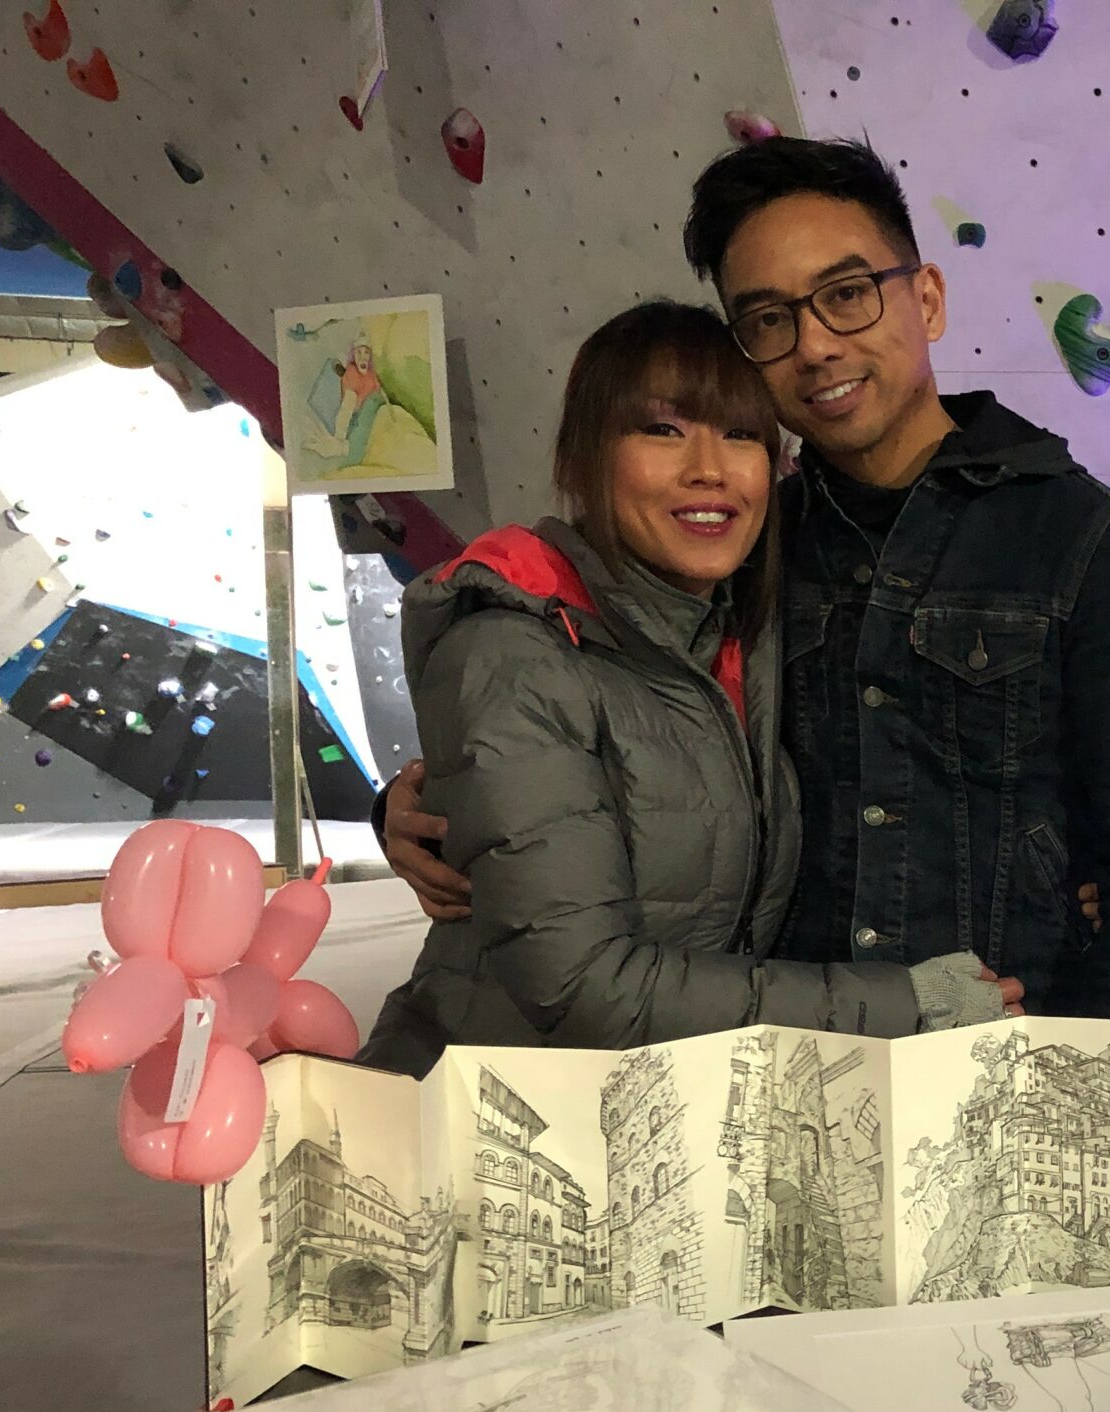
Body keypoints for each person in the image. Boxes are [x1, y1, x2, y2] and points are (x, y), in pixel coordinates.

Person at [383, 136, 1110, 1020]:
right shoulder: (744, 536)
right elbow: (616, 712)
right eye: (770, 318)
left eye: (847, 295)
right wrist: (412, 805)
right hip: (775, 1068)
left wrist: (1102, 1077)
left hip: (996, 1057)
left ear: (925, 299)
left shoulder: (1083, 537)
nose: (814, 344)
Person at [357, 299, 1018, 1078]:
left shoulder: (743, 630)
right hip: (497, 1120)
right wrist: (900, 1007)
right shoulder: (514, 646)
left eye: (740, 434)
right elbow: (583, 984)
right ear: (584, 458)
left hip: (655, 1112)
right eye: (663, 429)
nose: (709, 467)